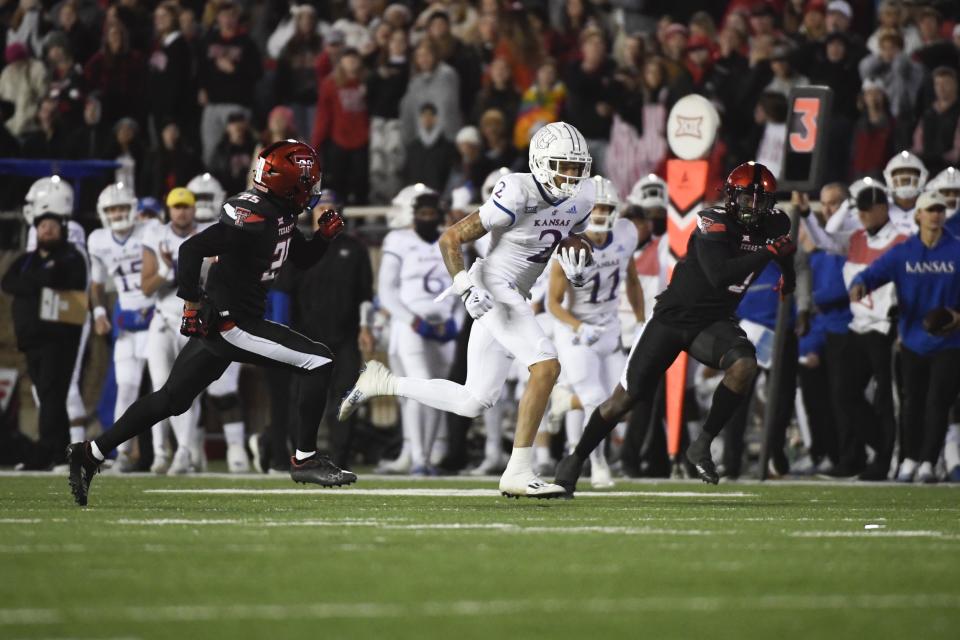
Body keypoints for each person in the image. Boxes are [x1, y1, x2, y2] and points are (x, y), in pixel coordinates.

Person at [67, 141, 353, 506]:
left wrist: (324, 239)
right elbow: (191, 250)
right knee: (319, 361)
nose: (312, 191)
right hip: (232, 323)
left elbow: (302, 257)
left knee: (171, 399)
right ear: (289, 184)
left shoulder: (279, 212)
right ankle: (305, 458)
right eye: (307, 182)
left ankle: (90, 453)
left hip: (226, 321)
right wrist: (190, 302)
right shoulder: (254, 216)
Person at [339, 121, 597, 498]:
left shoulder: (583, 196)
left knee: (473, 401)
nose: (572, 175)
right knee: (546, 366)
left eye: (577, 167)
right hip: (493, 285)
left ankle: (382, 382)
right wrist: (465, 288)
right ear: (540, 163)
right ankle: (519, 470)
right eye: (563, 165)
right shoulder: (517, 191)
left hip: (515, 292)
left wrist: (579, 260)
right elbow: (451, 237)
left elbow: (569, 234)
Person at [555, 162, 796, 494]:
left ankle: (703, 443)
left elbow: (784, 249)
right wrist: (769, 252)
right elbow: (720, 274)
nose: (752, 209)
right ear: (730, 198)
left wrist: (789, 276)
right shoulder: (714, 222)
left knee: (744, 365)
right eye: (745, 200)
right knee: (624, 400)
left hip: (712, 323)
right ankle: (575, 458)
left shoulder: (776, 222)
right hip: (672, 319)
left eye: (759, 202)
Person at [850, 192, 960, 483]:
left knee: (938, 402)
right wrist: (859, 284)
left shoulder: (957, 251)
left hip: (950, 341)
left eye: (940, 209)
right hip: (912, 339)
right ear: (918, 215)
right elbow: (872, 274)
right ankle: (909, 459)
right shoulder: (904, 252)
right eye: (930, 209)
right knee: (912, 403)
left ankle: (927, 462)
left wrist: (956, 315)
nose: (936, 214)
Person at [546, 176, 643, 488]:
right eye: (595, 207)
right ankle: (597, 463)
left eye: (606, 207)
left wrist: (641, 321)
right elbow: (552, 303)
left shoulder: (626, 233)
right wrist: (579, 326)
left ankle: (565, 401)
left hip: (609, 327)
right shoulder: (569, 242)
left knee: (621, 401)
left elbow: (631, 278)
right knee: (596, 398)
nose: (600, 214)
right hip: (574, 330)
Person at [376, 191, 460, 474]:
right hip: (410, 324)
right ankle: (419, 459)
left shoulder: (450, 238)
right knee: (420, 386)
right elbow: (386, 291)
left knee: (438, 389)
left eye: (431, 214)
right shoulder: (398, 240)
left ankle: (427, 455)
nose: (427, 219)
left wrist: (456, 322)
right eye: (422, 214)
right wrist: (412, 320)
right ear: (413, 214)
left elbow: (464, 284)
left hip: (443, 323)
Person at [3, 197, 87, 469]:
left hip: (59, 338)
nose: (47, 230)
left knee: (52, 392)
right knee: (48, 394)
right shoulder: (27, 260)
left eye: (52, 225)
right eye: (42, 226)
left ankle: (45, 452)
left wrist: (36, 281)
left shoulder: (70, 255)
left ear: (61, 229)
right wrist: (40, 280)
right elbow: (8, 282)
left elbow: (62, 279)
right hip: (31, 338)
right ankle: (60, 452)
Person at [87, 183, 157, 472]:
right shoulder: (98, 240)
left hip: (157, 319)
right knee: (126, 388)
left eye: (121, 207)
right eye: (111, 209)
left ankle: (170, 453)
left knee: (165, 391)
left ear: (133, 208)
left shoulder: (150, 230)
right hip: (127, 322)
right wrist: (100, 312)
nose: (117, 214)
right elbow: (98, 282)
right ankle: (123, 453)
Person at [23, 177, 89, 444]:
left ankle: (74, 449)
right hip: (54, 308)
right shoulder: (63, 227)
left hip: (65, 308)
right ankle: (55, 446)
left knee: (63, 383)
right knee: (48, 386)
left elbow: (42, 272)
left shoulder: (65, 229)